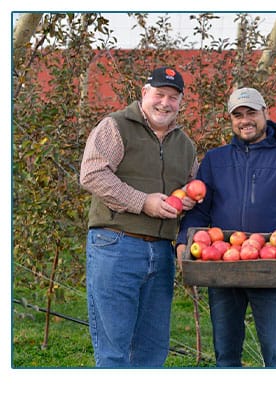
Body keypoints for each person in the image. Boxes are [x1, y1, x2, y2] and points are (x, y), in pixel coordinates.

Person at [176, 87, 276, 367]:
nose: (245, 120)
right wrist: (182, 242)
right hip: (221, 266)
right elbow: (199, 210)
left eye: (251, 113)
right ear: (231, 120)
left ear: (265, 113)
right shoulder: (215, 160)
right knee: (226, 354)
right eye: (238, 115)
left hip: (271, 266)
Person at [80, 67, 199, 367]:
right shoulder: (116, 126)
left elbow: (191, 188)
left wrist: (189, 198)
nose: (165, 103)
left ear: (181, 102)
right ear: (144, 93)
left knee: (151, 351)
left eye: (173, 97)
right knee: (114, 350)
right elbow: (92, 174)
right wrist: (143, 202)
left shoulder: (185, 144)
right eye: (159, 94)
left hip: (161, 251)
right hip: (116, 245)